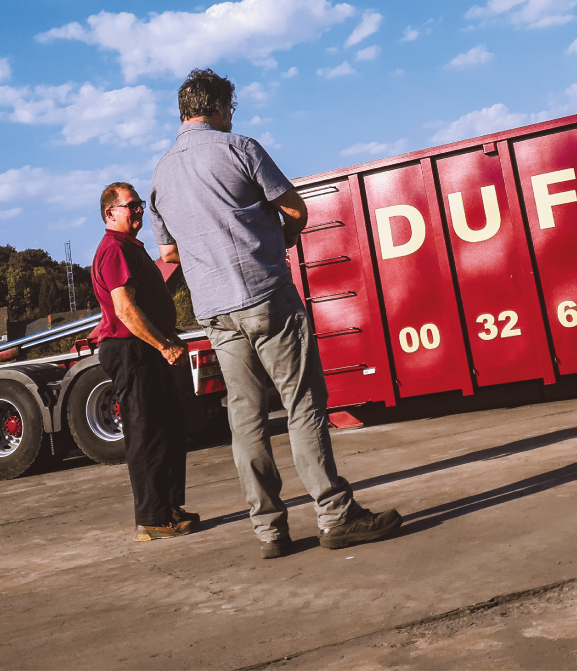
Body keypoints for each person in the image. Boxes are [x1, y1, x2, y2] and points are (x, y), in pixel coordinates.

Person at [149, 68, 402, 559]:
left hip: (216, 313)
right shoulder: (238, 148)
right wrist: (274, 238)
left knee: (245, 420)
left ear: (183, 112)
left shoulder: (160, 175)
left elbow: (171, 253)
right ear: (221, 108)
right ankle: (335, 515)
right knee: (302, 404)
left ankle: (269, 531)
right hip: (265, 295)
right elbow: (296, 210)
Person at [92, 181, 200, 541]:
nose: (138, 211)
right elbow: (125, 309)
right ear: (110, 213)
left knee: (168, 427)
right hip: (132, 352)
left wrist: (168, 339)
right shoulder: (114, 250)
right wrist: (163, 345)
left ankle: (169, 508)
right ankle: (151, 519)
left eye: (139, 205)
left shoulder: (129, 248)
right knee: (147, 432)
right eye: (131, 206)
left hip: (147, 349)